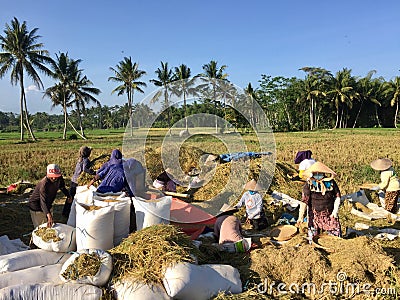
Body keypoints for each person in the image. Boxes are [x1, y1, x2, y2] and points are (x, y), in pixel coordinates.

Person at [297, 161, 342, 241]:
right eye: (315, 173)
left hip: (329, 214)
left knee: (335, 236)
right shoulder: (309, 184)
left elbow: (337, 197)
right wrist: (300, 217)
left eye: (320, 173)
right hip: (314, 215)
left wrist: (335, 212)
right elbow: (304, 201)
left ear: (324, 173)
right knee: (313, 237)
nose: (317, 175)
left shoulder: (331, 183)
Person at [28, 164, 72, 228]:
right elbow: (43, 201)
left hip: (48, 203)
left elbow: (62, 187)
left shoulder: (59, 178)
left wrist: (68, 195)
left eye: (56, 176)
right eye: (52, 176)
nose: (54, 178)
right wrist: (48, 214)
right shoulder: (44, 184)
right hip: (36, 206)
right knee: (40, 227)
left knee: (49, 225)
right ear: (47, 174)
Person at [64, 146, 96, 217]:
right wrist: (93, 172)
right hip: (78, 181)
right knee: (75, 196)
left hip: (73, 180)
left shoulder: (80, 159)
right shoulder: (86, 160)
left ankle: (65, 212)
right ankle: (69, 212)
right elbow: (85, 169)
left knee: (70, 196)